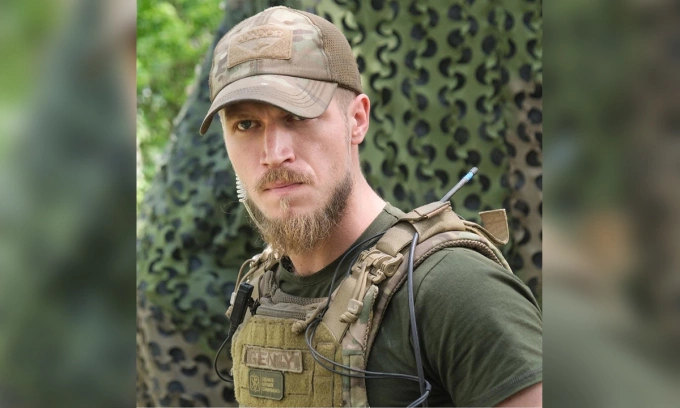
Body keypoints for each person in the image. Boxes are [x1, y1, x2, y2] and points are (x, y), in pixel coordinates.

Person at [199, 6, 542, 407]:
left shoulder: (453, 290)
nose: (274, 153)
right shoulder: (261, 288)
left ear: (357, 119)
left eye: (296, 116)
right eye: (245, 125)